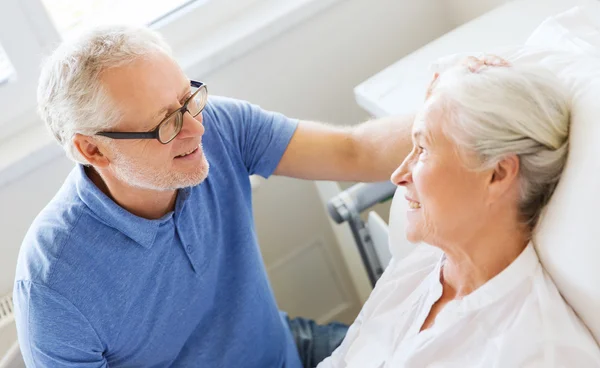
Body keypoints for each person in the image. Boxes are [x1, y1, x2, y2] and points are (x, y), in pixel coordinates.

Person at [13, 24, 413, 368]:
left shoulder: (219, 125)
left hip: (288, 350)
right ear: (93, 150)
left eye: (188, 100)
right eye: (165, 123)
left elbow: (354, 151)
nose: (197, 129)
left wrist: (455, 110)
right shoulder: (54, 285)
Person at [318, 56, 600, 367]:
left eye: (422, 150)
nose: (398, 175)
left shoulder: (537, 352)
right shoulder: (418, 266)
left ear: (498, 174)